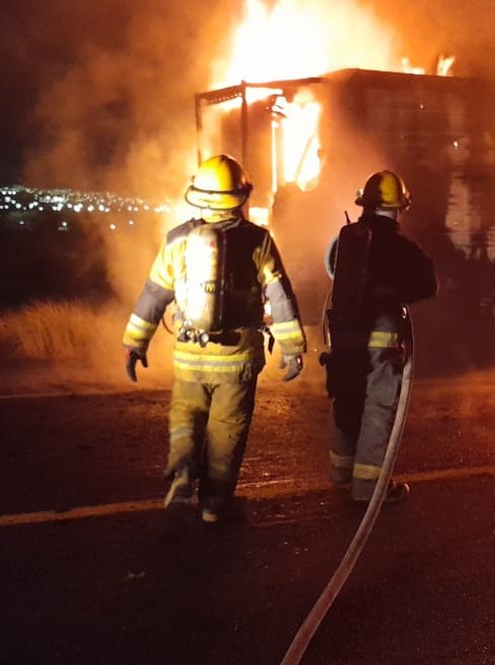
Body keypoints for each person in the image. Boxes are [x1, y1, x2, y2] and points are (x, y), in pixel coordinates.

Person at [122, 154, 306, 524]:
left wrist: (135, 343)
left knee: (187, 416)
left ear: (198, 195)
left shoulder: (177, 240)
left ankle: (183, 472)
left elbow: (154, 294)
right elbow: (280, 296)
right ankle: (214, 505)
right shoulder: (259, 241)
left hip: (190, 355)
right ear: (240, 195)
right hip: (237, 360)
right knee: (226, 431)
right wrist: (293, 348)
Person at [324, 170, 437, 503]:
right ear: (400, 208)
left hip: (343, 334)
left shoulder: (347, 239)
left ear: (365, 204)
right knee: (377, 408)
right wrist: (396, 291)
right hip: (381, 339)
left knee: (347, 398)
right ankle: (369, 489)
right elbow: (429, 285)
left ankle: (341, 474)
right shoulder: (402, 248)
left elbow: (333, 270)